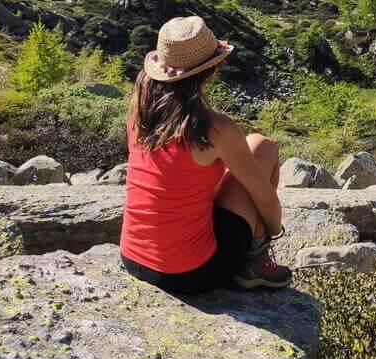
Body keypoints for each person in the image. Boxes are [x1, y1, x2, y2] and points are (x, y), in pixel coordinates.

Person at [119, 15, 292, 294]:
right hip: (191, 274)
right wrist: (271, 230)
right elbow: (263, 196)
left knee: (234, 162)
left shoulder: (141, 110)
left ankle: (254, 254)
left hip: (132, 258)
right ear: (209, 71)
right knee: (262, 146)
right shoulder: (214, 128)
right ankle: (256, 260)